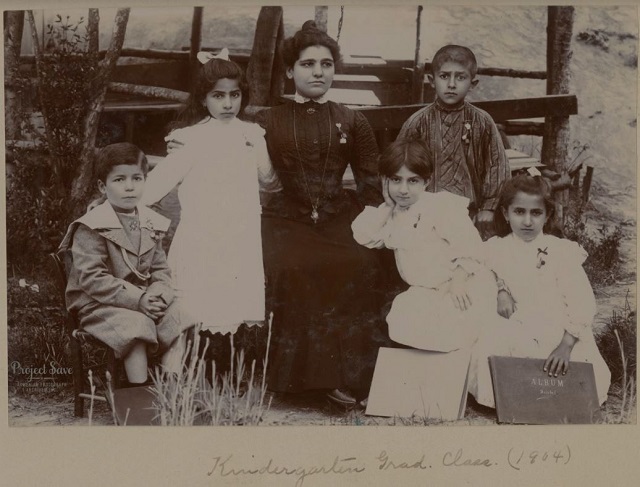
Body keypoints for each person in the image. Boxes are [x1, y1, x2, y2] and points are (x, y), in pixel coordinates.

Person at [258, 20, 386, 407]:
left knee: (358, 261)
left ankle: (348, 381)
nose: (318, 72)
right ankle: (299, 383)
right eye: (308, 64)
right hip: (284, 219)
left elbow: (370, 182)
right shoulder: (267, 121)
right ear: (289, 71)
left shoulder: (352, 119)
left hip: (336, 216)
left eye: (326, 64)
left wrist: (367, 221)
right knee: (296, 267)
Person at [141, 48, 281, 337]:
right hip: (202, 233)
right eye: (218, 96)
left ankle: (227, 363)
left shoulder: (251, 134)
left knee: (232, 299)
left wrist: (265, 153)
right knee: (197, 299)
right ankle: (182, 363)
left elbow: (269, 181)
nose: (228, 103)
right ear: (203, 99)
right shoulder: (190, 139)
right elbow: (155, 186)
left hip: (240, 232)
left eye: (234, 95)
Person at [468, 171, 611, 408]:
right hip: (515, 323)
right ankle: (511, 399)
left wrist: (566, 345)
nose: (527, 221)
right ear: (505, 213)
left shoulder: (561, 252)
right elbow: (484, 269)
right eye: (519, 212)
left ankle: (549, 398)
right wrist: (501, 290)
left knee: (566, 368)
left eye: (536, 213)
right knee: (494, 343)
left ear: (547, 215)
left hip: (556, 326)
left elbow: (581, 301)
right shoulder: (496, 248)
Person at [59, 143, 190, 385]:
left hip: (142, 299)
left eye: (137, 179)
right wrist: (139, 300)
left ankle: (171, 388)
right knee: (137, 325)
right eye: (119, 180)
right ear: (102, 186)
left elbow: (160, 270)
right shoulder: (92, 225)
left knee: (180, 315)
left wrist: (157, 296)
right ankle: (138, 393)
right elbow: (92, 279)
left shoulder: (149, 222)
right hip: (98, 304)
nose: (129, 187)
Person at [352, 139, 495, 357]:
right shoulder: (389, 213)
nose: (403, 190)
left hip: (461, 284)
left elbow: (470, 246)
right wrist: (388, 207)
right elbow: (364, 236)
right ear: (384, 181)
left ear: (426, 182)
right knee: (407, 325)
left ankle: (459, 381)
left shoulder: (440, 206)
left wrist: (458, 281)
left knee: (457, 337)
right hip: (425, 292)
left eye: (413, 181)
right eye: (396, 180)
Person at [396, 45, 510, 239]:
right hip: (424, 210)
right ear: (431, 80)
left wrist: (489, 207)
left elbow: (497, 165)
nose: (451, 84)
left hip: (470, 213)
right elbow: (398, 165)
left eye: (460, 77)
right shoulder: (417, 122)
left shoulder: (482, 122)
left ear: (473, 83)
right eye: (444, 76)